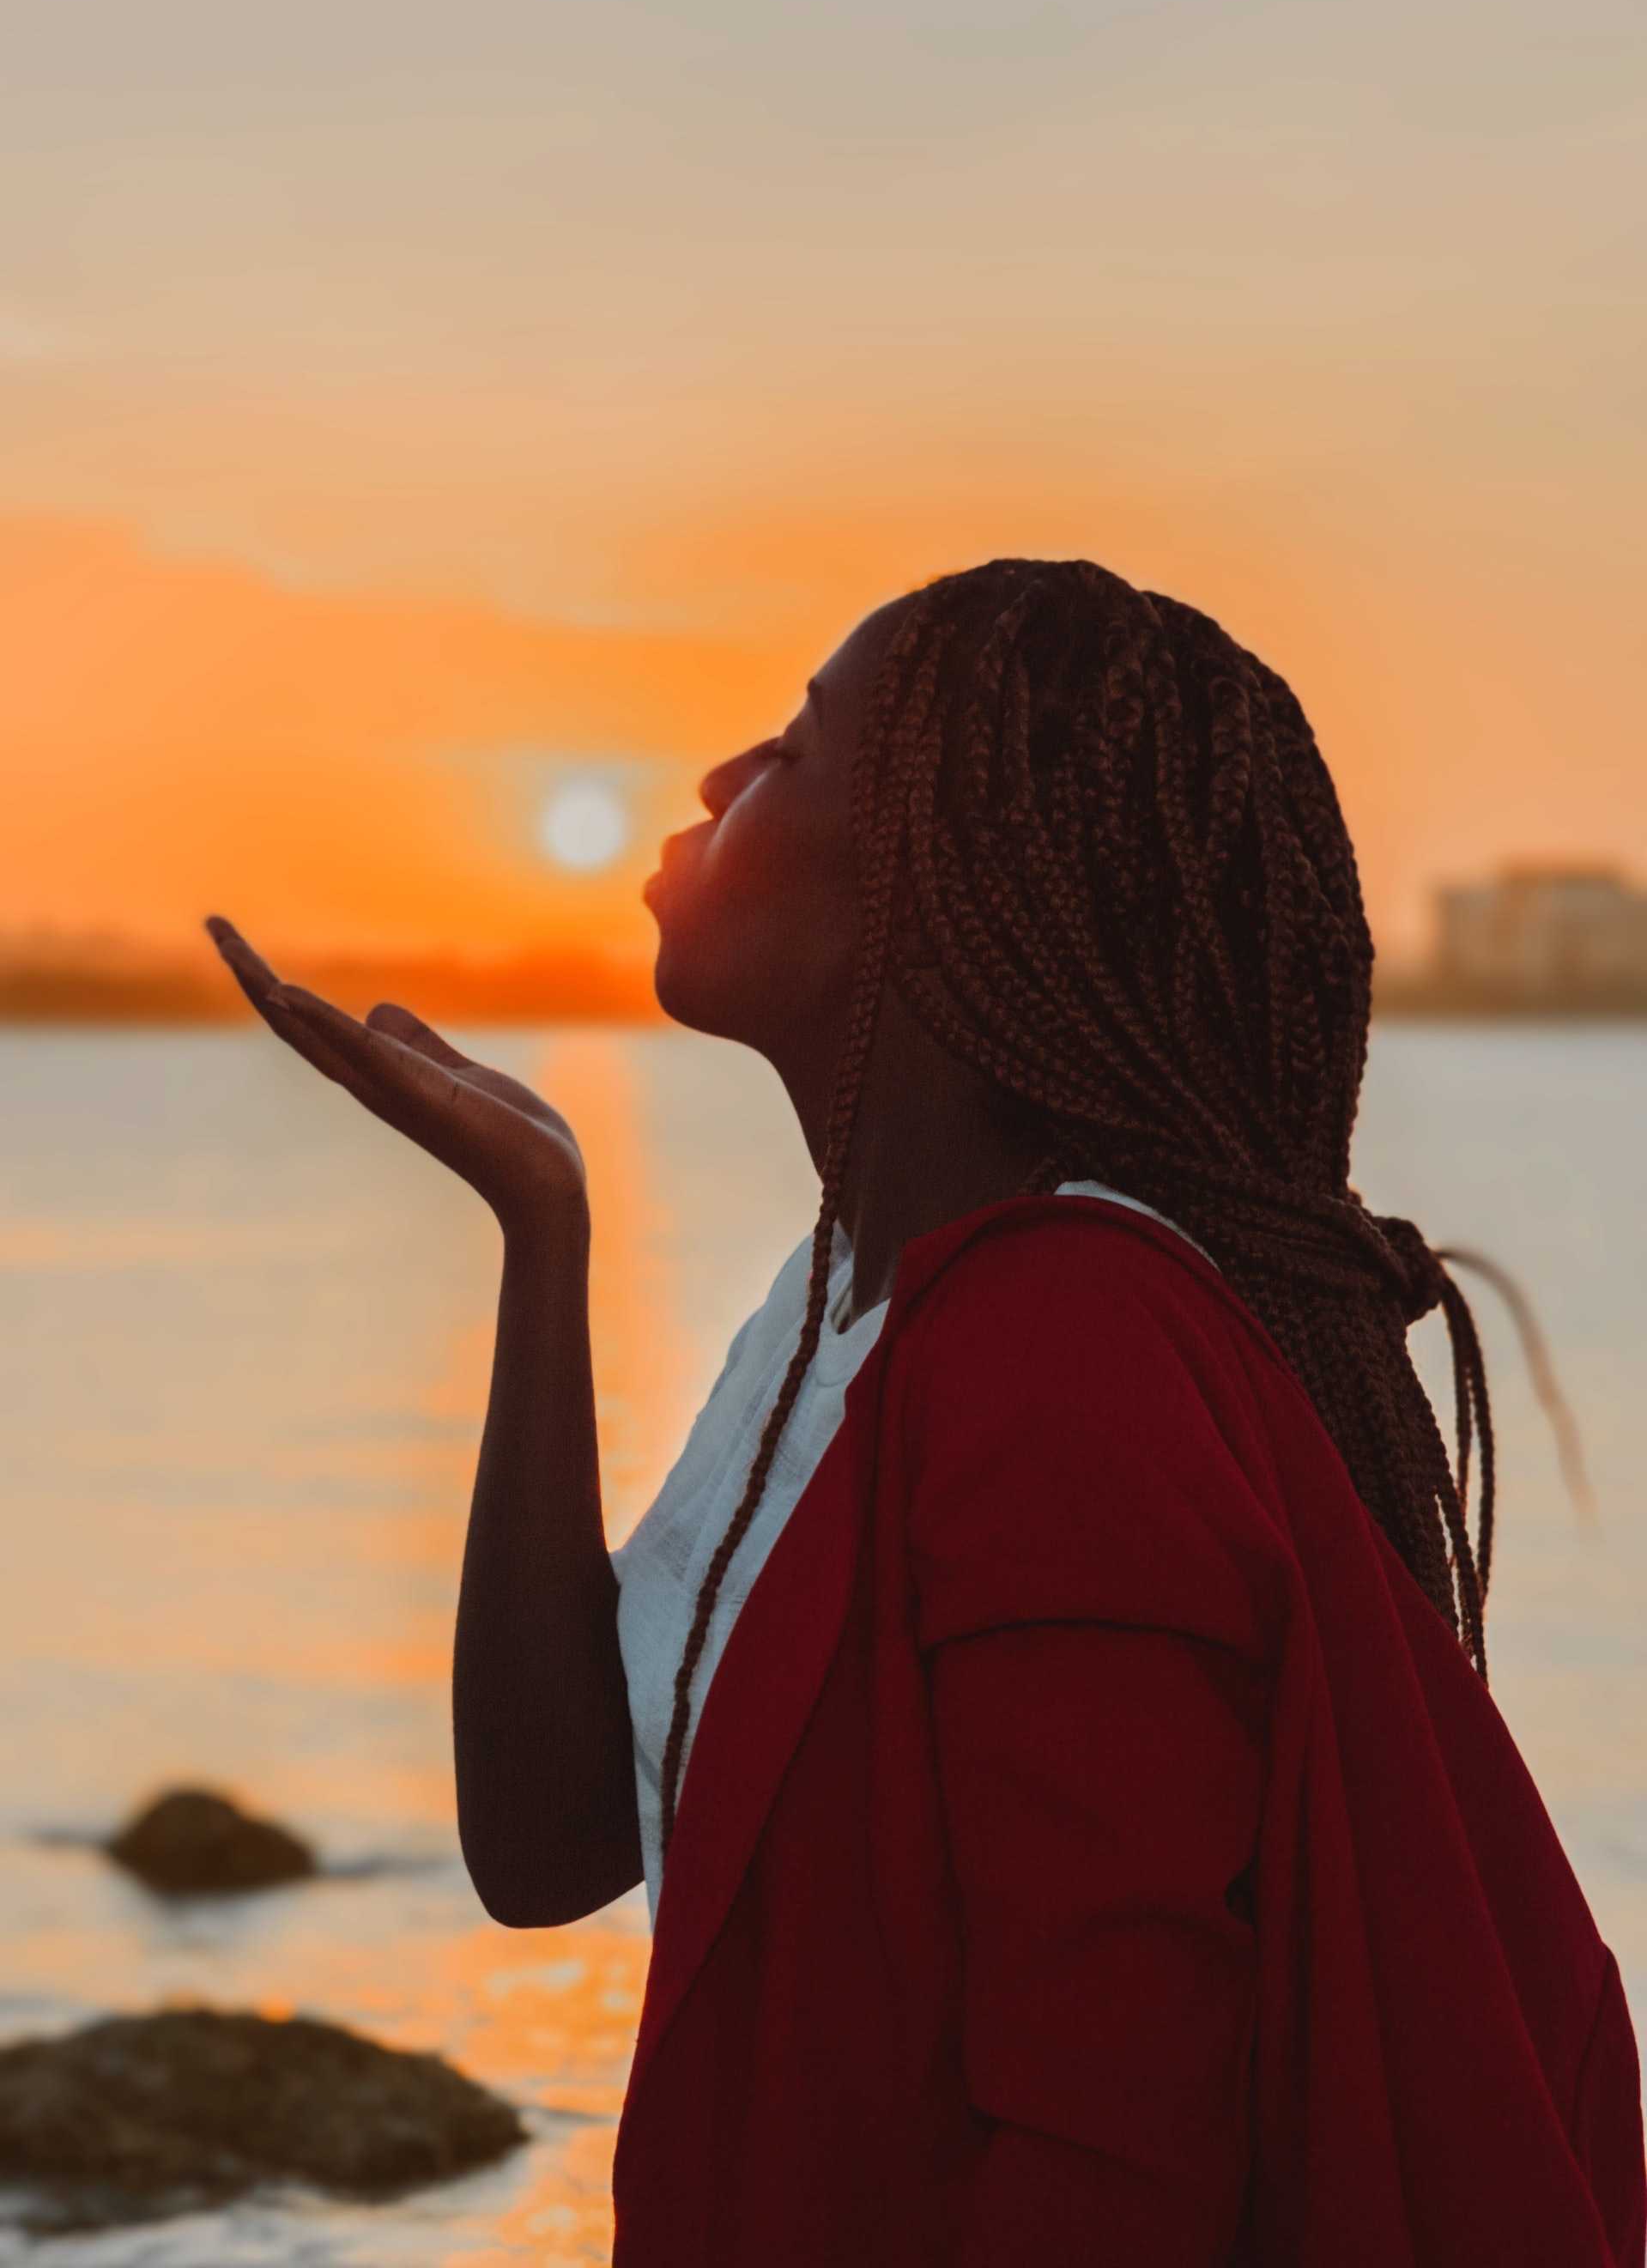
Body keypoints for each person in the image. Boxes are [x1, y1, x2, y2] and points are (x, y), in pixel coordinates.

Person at [204, 555, 1645, 2265]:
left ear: (936, 891)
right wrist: (544, 1230)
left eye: (796, 750)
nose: (717, 780)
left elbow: (1116, 2162)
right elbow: (549, 1838)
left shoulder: (1064, 1355)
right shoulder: (835, 1316)